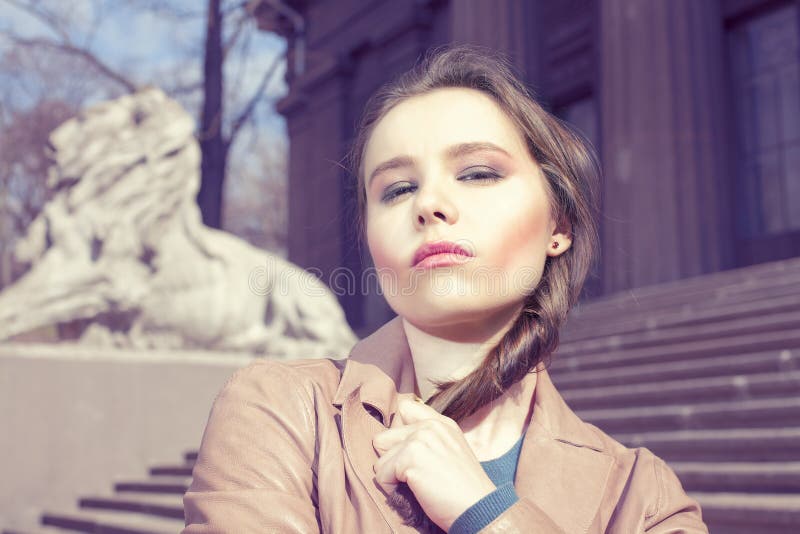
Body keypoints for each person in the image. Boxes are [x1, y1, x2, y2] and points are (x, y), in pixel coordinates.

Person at [182, 44, 709, 533]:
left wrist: (486, 511)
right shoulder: (283, 413)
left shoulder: (643, 498)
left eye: (478, 174)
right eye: (397, 189)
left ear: (559, 226)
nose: (428, 204)